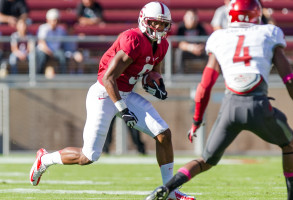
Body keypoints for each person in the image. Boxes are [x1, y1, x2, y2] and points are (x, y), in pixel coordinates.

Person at [29, 2, 195, 199]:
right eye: (154, 23)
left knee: (163, 134)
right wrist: (122, 109)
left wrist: (156, 86)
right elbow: (108, 78)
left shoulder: (163, 45)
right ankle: (45, 159)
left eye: (163, 24)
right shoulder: (132, 39)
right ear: (144, 21)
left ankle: (170, 190)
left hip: (126, 93)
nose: (159, 28)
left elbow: (152, 74)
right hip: (104, 94)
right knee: (88, 156)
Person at [145, 0, 293, 200]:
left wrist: (196, 121)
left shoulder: (220, 37)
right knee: (288, 143)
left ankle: (167, 188)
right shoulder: (269, 33)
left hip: (230, 108)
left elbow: (205, 86)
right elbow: (289, 80)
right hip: (259, 106)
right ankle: (292, 197)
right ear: (256, 15)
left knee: (205, 161)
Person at [175, 9, 208, 73]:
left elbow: (205, 41)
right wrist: (191, 48)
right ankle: (179, 75)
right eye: (190, 18)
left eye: (194, 18)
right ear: (185, 18)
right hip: (186, 51)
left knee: (209, 53)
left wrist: (199, 48)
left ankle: (208, 74)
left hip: (199, 51)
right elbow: (179, 43)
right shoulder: (181, 28)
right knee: (179, 53)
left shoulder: (201, 28)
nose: (192, 20)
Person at [36, 8, 67, 74]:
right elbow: (41, 43)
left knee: (62, 56)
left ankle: (63, 77)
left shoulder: (61, 30)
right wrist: (50, 52)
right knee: (41, 57)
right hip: (44, 51)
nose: (55, 22)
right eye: (53, 20)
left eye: (56, 20)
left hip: (55, 51)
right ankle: (38, 76)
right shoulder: (43, 28)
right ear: (48, 20)